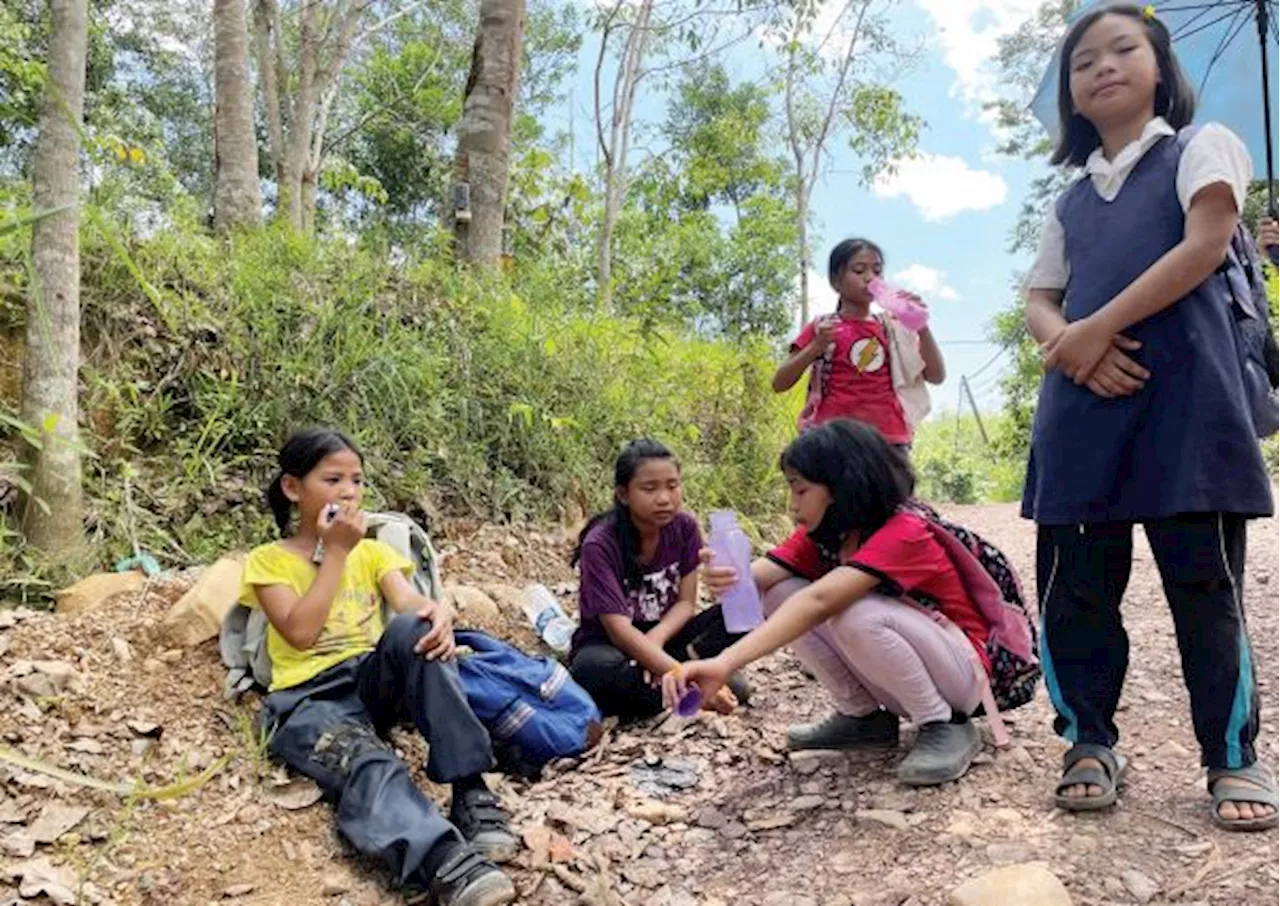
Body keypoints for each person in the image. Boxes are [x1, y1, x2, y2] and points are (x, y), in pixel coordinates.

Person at [1023, 4, 1277, 828]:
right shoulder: (1066, 202)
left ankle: (1231, 756)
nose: (1102, 65)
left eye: (1124, 48)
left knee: (1205, 584)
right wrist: (1073, 347)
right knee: (1076, 590)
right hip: (1080, 412)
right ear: (1070, 95)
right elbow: (1038, 297)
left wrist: (1095, 330)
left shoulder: (1204, 147)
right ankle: (1088, 738)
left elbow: (1205, 242)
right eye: (1082, 60)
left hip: (1186, 407)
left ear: (1162, 68)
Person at [239, 428, 519, 905]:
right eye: (332, 480)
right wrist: (336, 553)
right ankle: (444, 861)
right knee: (367, 762)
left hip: (370, 678)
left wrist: (437, 613)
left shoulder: (373, 551)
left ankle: (471, 792)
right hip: (308, 698)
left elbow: (407, 602)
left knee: (416, 630)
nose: (348, 492)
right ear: (293, 488)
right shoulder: (270, 561)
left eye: (356, 480)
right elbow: (300, 632)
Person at [664, 420, 997, 787]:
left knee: (854, 613)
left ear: (840, 488)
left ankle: (942, 724)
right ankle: (862, 717)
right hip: (923, 665)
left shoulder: (906, 532)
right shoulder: (831, 534)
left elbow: (819, 601)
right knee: (778, 593)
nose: (792, 506)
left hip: (963, 677)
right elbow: (763, 579)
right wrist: (731, 577)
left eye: (801, 490)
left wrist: (725, 663)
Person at [568, 439, 745, 720]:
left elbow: (686, 604)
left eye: (673, 486)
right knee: (593, 669)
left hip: (667, 637)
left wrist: (656, 640)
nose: (664, 498)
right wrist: (681, 675)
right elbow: (619, 631)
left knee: (737, 614)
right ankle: (691, 688)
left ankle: (666, 690)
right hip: (613, 648)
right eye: (650, 489)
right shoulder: (600, 544)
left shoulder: (685, 527)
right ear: (623, 494)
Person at [772, 238, 945, 449]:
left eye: (877, 271)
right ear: (836, 281)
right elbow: (779, 383)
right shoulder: (822, 326)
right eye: (859, 270)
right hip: (832, 441)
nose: (870, 278)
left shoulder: (892, 328)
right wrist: (815, 347)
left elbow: (936, 376)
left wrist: (920, 325)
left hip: (888, 440)